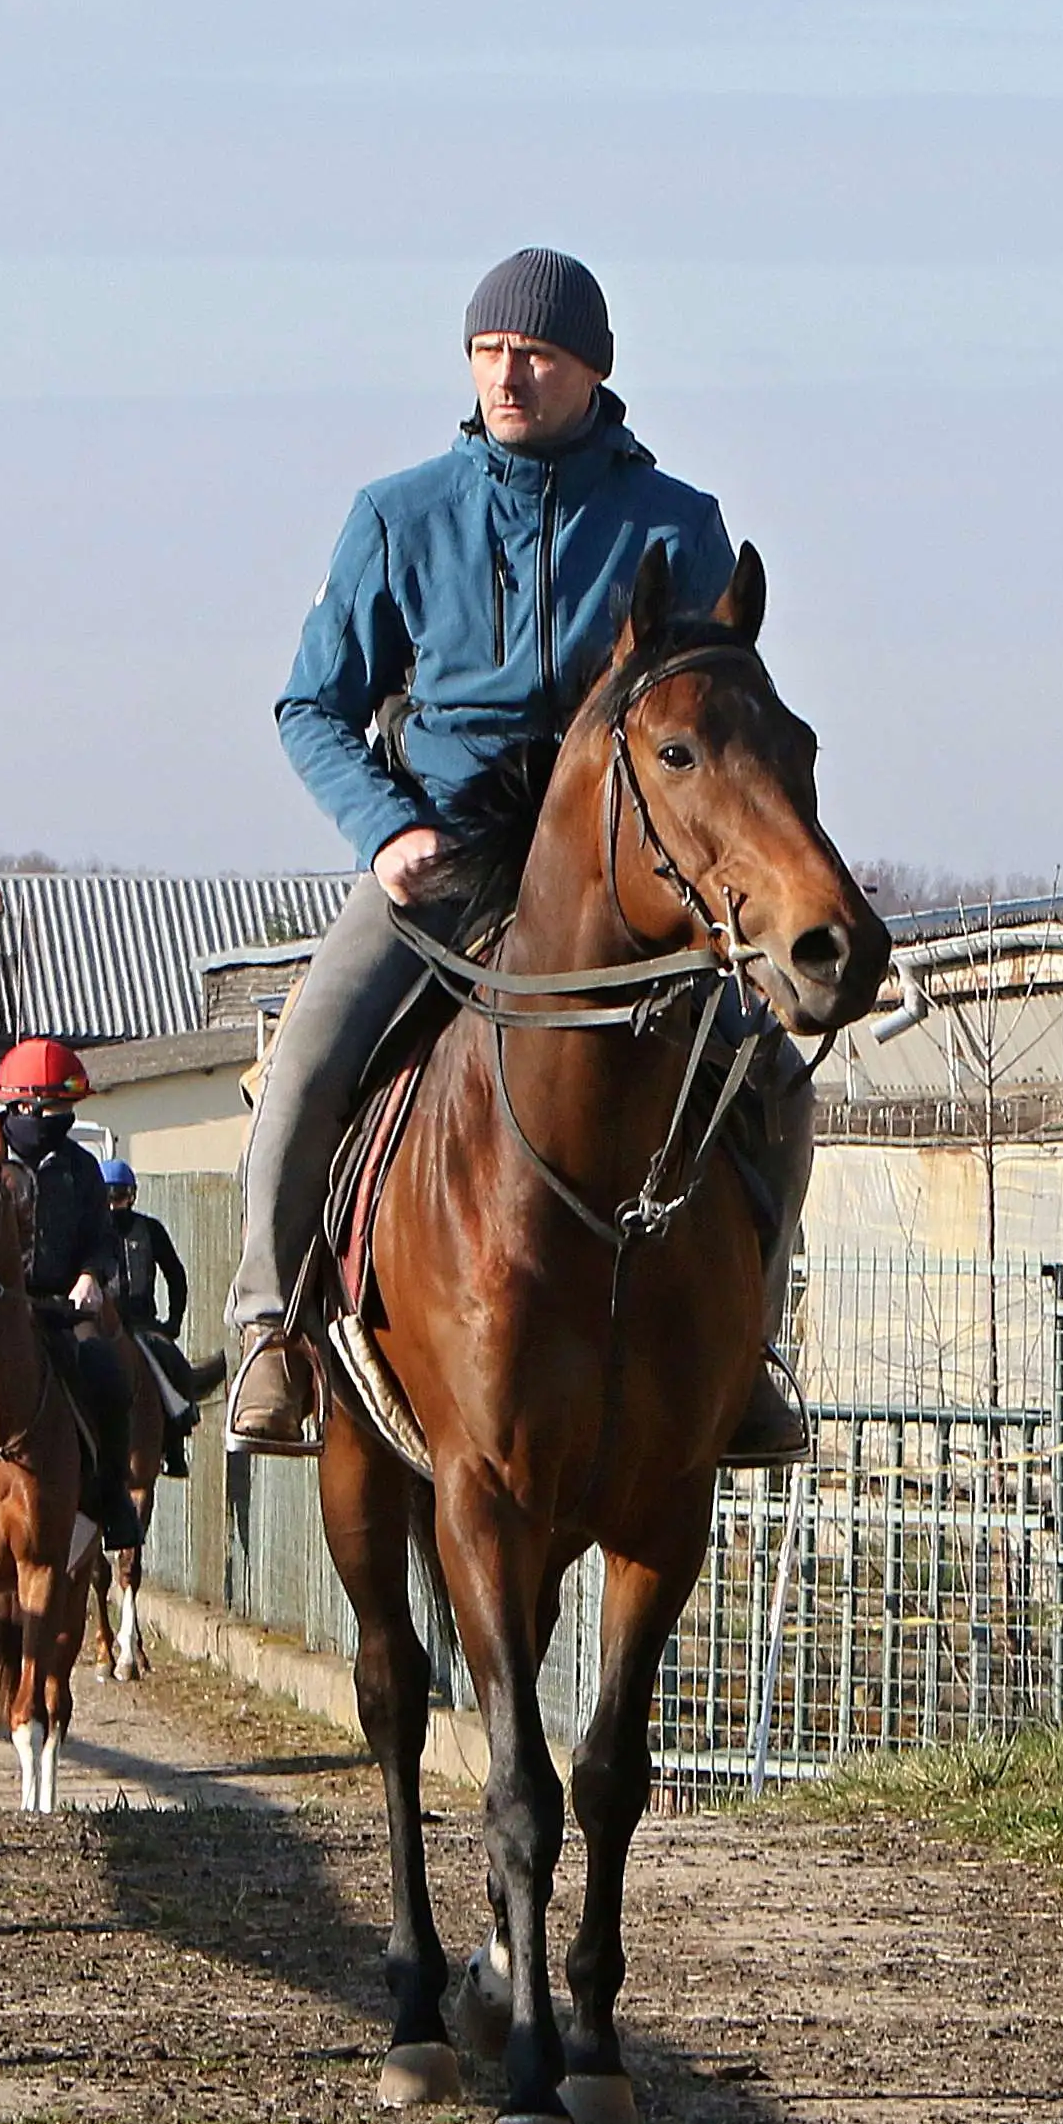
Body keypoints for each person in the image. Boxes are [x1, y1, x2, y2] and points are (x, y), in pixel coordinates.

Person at [224, 246, 814, 1464]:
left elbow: (709, 718)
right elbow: (311, 707)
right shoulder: (397, 517)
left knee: (773, 1078)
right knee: (305, 1065)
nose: (509, 375)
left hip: (622, 874)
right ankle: (268, 1333)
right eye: (491, 352)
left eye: (537, 355)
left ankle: (752, 1355)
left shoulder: (678, 527)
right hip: (444, 865)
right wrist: (386, 830)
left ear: (593, 371)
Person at [0, 1039, 146, 1546]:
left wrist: (91, 1276)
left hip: (61, 1304)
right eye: (56, 1108)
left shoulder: (81, 1168)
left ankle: (111, 1494)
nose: (64, 1119)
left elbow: (102, 1238)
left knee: (106, 1370)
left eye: (69, 1110)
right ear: (24, 1106)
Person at [104, 1156, 198, 1480]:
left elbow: (176, 1275)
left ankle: (175, 1442)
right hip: (102, 1324)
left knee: (174, 1364)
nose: (115, 1204)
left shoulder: (150, 1229)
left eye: (121, 1196)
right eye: (109, 1197)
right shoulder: (92, 1232)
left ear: (133, 1195)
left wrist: (174, 1321)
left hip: (142, 1324)